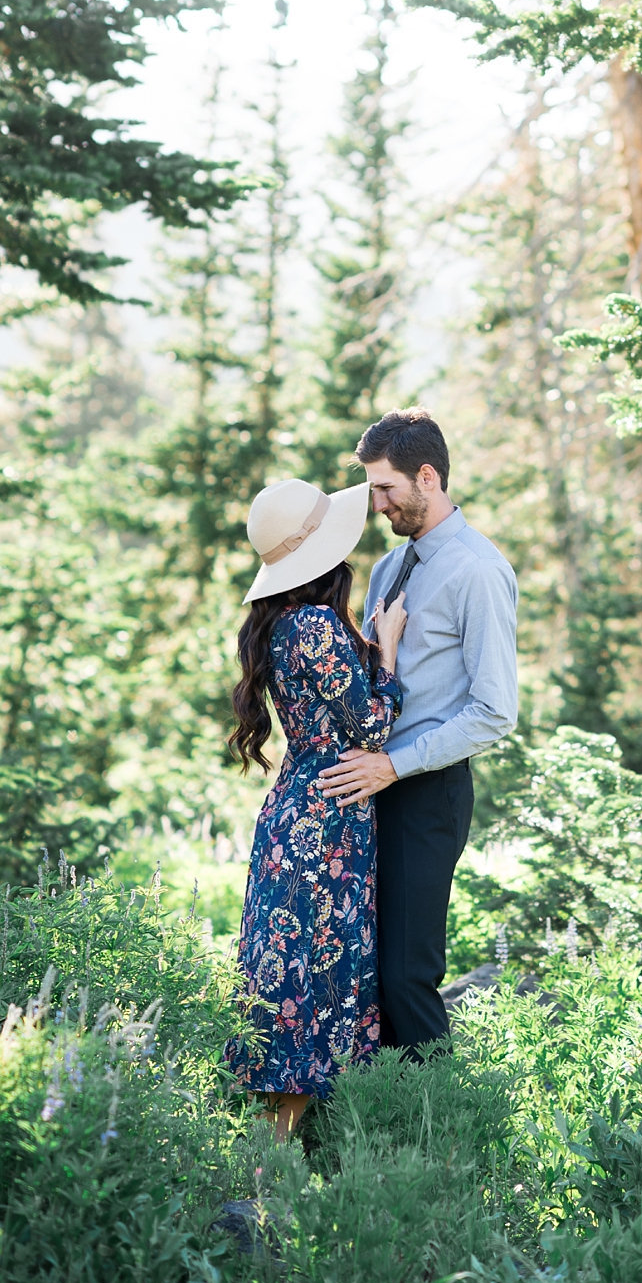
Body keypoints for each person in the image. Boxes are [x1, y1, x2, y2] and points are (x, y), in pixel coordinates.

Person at [317, 408, 518, 1057]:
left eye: (384, 487)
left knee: (408, 975)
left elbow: (494, 710)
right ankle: (378, 1134)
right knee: (368, 972)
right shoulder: (388, 570)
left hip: (427, 792)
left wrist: (395, 767)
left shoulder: (478, 570)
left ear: (426, 477)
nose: (375, 504)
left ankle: (443, 1135)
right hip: (370, 790)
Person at [225, 478, 406, 1136]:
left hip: (292, 818)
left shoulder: (274, 622)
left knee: (283, 983)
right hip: (327, 825)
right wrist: (385, 653)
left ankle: (267, 1165)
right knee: (314, 982)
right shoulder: (318, 624)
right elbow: (373, 729)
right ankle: (269, 1180)